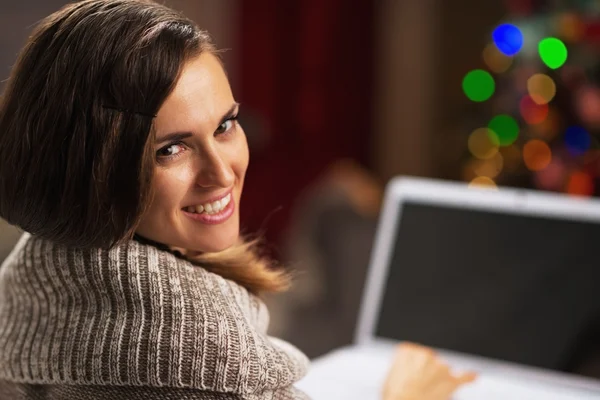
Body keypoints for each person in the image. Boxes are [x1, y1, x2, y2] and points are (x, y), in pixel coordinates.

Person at [0, 1, 477, 399]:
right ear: (90, 171)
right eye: (171, 148)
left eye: (225, 125)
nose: (222, 171)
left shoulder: (34, 278)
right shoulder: (209, 372)